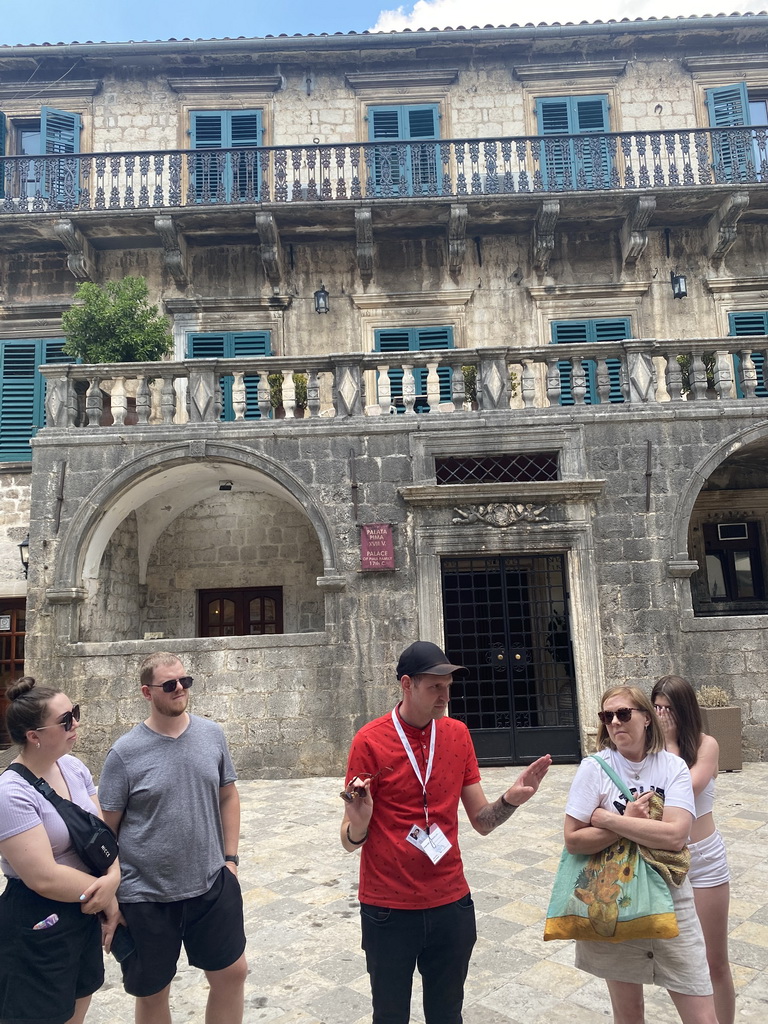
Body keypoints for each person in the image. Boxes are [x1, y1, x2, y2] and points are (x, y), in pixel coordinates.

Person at [340, 640, 552, 1024]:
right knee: (389, 1015)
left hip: (451, 905)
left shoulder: (457, 735)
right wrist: (359, 821)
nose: (445, 694)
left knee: (447, 1014)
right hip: (388, 909)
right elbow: (348, 841)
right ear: (406, 684)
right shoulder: (369, 741)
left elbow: (482, 822)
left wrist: (512, 799)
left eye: (449, 685)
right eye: (434, 685)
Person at [98, 652, 247, 1024]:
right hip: (146, 895)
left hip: (211, 882)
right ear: (147, 692)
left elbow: (227, 794)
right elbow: (106, 830)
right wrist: (113, 895)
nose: (180, 689)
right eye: (170, 684)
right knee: (152, 993)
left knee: (233, 974)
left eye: (185, 681)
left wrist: (230, 859)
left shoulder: (211, 735)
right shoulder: (124, 753)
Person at [564, 685, 719, 1024]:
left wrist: (607, 819)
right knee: (628, 1013)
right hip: (614, 900)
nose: (615, 722)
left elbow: (677, 834)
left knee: (702, 1015)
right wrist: (632, 823)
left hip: (670, 896)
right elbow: (574, 839)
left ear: (647, 718)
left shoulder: (672, 767)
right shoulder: (594, 768)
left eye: (623, 713)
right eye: (607, 717)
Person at [0, 677, 121, 1024]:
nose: (76, 724)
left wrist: (113, 877)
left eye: (76, 713)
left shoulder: (74, 767)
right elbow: (43, 877)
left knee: (79, 1001)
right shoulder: (11, 793)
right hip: (39, 916)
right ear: (34, 736)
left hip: (84, 910)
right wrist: (107, 889)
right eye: (66, 719)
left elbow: (101, 836)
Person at [652, 675, 735, 1024]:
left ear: (684, 711)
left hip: (704, 859)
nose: (661, 715)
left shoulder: (706, 745)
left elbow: (687, 786)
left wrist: (669, 741)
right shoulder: (648, 752)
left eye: (668, 708)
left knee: (713, 959)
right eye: (656, 707)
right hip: (666, 862)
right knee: (680, 961)